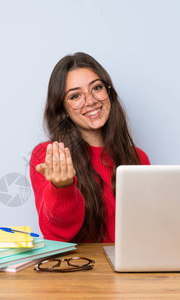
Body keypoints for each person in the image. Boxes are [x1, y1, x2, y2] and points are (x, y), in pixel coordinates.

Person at [29, 52, 151, 243]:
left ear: (108, 92)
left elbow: (147, 232)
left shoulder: (137, 158)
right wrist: (62, 187)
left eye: (97, 88)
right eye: (75, 95)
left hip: (131, 270)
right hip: (79, 270)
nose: (91, 100)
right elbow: (57, 235)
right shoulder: (48, 156)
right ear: (63, 109)